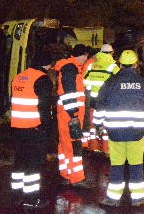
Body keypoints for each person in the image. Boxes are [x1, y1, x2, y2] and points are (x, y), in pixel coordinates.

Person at [94, 49, 144, 208]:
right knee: (136, 165)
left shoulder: (110, 83)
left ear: (120, 64)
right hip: (137, 132)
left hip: (115, 132)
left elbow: (100, 106)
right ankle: (138, 198)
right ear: (136, 64)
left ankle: (112, 199)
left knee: (117, 165)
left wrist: (98, 125)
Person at [9, 49, 55, 209]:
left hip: (18, 128)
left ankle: (16, 196)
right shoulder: (42, 79)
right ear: (46, 64)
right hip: (35, 129)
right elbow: (44, 106)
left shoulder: (18, 77)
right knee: (33, 166)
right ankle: (31, 199)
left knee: (20, 162)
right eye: (50, 63)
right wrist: (46, 127)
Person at [53, 44, 93, 187]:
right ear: (81, 55)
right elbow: (69, 95)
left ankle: (65, 174)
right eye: (85, 56)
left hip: (66, 115)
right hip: (70, 116)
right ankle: (77, 179)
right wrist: (74, 115)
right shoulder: (70, 69)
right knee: (74, 146)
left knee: (64, 145)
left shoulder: (69, 68)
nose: (86, 59)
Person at [83, 43, 119, 153]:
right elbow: (118, 85)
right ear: (111, 53)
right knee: (106, 125)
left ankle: (94, 147)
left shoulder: (92, 65)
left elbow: (85, 82)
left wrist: (92, 89)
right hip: (107, 102)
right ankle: (106, 149)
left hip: (94, 101)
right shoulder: (113, 67)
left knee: (93, 125)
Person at [80, 47, 96, 150]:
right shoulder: (93, 63)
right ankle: (90, 144)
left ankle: (86, 143)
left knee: (87, 118)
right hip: (90, 93)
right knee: (89, 119)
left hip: (88, 92)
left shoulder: (89, 63)